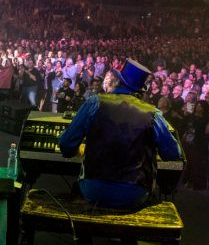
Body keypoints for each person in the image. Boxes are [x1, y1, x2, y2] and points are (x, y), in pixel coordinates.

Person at [59, 59, 181, 209]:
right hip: (136, 194)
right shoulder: (153, 114)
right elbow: (174, 154)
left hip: (94, 190)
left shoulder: (95, 103)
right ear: (139, 90)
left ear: (116, 82)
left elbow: (65, 146)